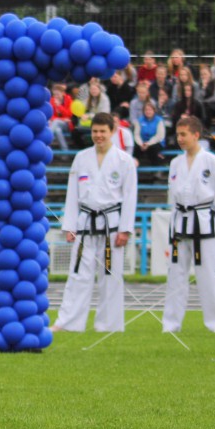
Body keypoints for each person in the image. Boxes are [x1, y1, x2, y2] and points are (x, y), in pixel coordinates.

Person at [50, 112, 138, 334]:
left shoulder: (124, 161)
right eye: (95, 131)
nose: (98, 135)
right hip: (85, 222)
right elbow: (72, 194)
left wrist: (126, 229)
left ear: (112, 132)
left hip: (112, 224)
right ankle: (68, 322)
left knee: (110, 276)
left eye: (102, 131)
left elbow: (130, 196)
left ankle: (109, 324)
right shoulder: (81, 157)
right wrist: (70, 225)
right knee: (78, 273)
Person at [162, 115, 215, 333]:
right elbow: (172, 195)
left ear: (196, 135)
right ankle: (171, 324)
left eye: (184, 134)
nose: (180, 139)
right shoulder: (175, 163)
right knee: (176, 274)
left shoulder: (211, 161)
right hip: (181, 220)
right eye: (178, 134)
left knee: (208, 273)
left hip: (203, 220)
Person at [132, 98, 166, 169]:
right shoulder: (140, 120)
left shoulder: (159, 121)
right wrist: (141, 143)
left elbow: (159, 136)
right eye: (146, 110)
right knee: (136, 149)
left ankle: (156, 170)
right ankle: (134, 168)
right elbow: (136, 134)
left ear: (154, 111)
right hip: (142, 143)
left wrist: (149, 143)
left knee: (153, 149)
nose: (148, 112)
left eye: (150, 110)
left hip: (156, 142)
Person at [49, 82, 75, 151]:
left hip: (67, 125)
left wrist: (59, 106)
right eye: (54, 94)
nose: (56, 96)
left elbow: (69, 114)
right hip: (56, 124)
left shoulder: (68, 99)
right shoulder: (52, 100)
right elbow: (51, 116)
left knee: (56, 122)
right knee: (57, 130)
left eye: (58, 94)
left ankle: (47, 139)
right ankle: (65, 152)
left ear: (63, 93)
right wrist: (63, 119)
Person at [197, 64, 215, 130]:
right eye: (202, 74)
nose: (203, 76)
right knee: (200, 106)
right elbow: (198, 98)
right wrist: (203, 88)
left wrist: (204, 102)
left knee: (206, 106)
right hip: (203, 106)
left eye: (205, 74)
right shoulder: (199, 84)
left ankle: (206, 128)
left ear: (210, 74)